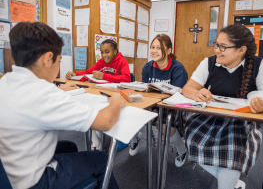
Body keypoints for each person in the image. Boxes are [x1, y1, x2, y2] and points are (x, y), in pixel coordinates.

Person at [0, 22, 125, 189]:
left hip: (8, 170)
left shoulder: (6, 82)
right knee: (101, 159)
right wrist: (116, 102)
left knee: (69, 147)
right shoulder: (44, 94)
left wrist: (58, 89)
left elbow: (37, 100)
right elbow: (106, 121)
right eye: (59, 61)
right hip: (33, 182)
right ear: (48, 59)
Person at [182, 24, 263, 189]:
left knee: (234, 152)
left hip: (241, 122)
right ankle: (231, 182)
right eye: (216, 45)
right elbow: (188, 88)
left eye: (223, 46)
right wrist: (195, 93)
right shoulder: (209, 63)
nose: (217, 50)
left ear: (241, 50)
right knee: (193, 141)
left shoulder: (259, 65)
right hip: (210, 119)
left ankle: (228, 183)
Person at [129, 34, 188, 168]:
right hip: (152, 103)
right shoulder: (147, 67)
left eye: (159, 48)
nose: (154, 51)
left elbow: (177, 95)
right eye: (152, 47)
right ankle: (134, 139)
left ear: (168, 51)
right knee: (132, 112)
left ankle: (182, 150)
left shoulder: (177, 68)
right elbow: (145, 90)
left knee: (163, 126)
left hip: (171, 106)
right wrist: (150, 106)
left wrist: (156, 108)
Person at [65, 39, 131, 83]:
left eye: (107, 52)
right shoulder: (101, 61)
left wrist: (103, 76)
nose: (104, 55)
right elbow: (89, 72)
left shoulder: (122, 61)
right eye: (102, 52)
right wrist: (74, 74)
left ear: (114, 51)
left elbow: (127, 78)